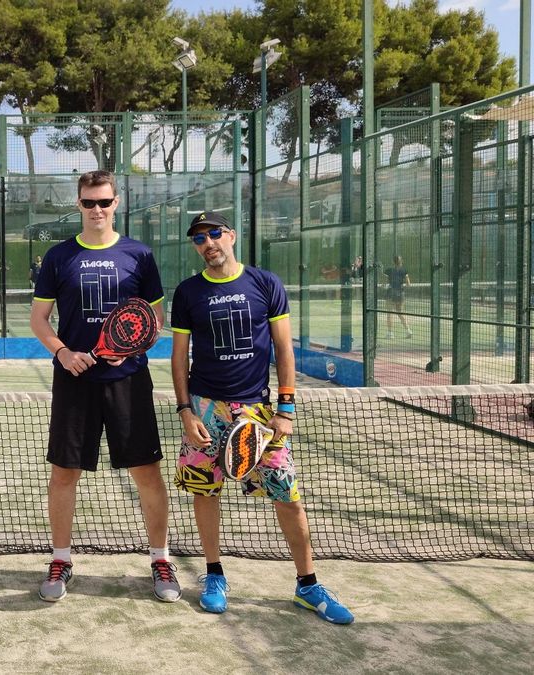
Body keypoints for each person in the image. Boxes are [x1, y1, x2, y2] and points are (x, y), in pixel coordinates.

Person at [170, 211, 354, 624]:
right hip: (203, 409)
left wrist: (286, 409)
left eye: (215, 233)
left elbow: (284, 350)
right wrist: (185, 410)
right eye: (199, 238)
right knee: (205, 493)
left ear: (231, 236)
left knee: (287, 496)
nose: (209, 243)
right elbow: (179, 357)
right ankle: (214, 576)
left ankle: (308, 585)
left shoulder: (265, 283)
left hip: (259, 411)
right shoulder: (187, 293)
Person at [29, 170, 179, 604]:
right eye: (89, 203)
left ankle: (160, 559)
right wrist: (62, 352)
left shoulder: (140, 255)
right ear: (78, 205)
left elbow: (156, 321)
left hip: (128, 379)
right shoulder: (58, 257)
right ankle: (61, 558)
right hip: (74, 379)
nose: (97, 210)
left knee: (146, 472)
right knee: (64, 473)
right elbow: (39, 319)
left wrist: (127, 348)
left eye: (105, 202)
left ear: (117, 203)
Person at [385, 255, 413, 339]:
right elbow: (408, 284)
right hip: (400, 293)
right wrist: (401, 286)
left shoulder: (389, 270)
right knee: (400, 312)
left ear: (393, 262)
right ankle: (408, 331)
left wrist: (384, 285)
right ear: (401, 261)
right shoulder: (404, 270)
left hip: (391, 292)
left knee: (390, 313)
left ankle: (390, 333)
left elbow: (385, 281)